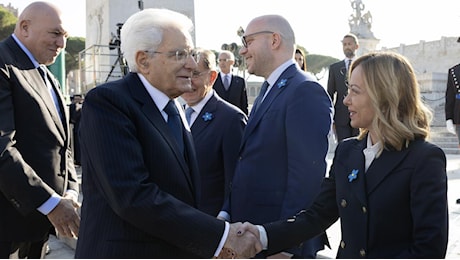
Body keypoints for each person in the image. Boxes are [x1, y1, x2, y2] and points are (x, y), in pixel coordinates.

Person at [74, 8, 261, 258]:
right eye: (179, 54)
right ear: (143, 61)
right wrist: (219, 236)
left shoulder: (173, 107)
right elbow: (133, 195)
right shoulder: (109, 103)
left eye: (191, 54)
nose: (192, 64)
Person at [243, 51, 449, 258]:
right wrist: (261, 235)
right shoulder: (347, 151)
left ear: (384, 96)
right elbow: (317, 216)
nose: (345, 100)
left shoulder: (424, 159)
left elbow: (429, 249)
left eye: (355, 91)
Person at [219, 14, 333, 258]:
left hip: (276, 244)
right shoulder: (270, 88)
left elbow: (305, 179)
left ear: (274, 40)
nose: (242, 50)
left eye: (247, 41)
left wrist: (286, 244)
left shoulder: (304, 90)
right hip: (254, 233)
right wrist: (227, 212)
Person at [0, 2, 80, 258]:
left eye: (65, 36)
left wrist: (70, 190)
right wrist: (51, 203)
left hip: (40, 227)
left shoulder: (48, 76)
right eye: (55, 34)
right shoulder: (3, 65)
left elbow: (63, 144)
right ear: (24, 27)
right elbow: (2, 148)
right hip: (7, 227)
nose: (62, 44)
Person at [181, 49, 247, 217]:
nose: (188, 82)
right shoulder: (173, 115)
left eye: (195, 74)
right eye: (183, 74)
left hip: (210, 224)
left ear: (212, 77)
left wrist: (224, 218)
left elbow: (237, 180)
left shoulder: (231, 119)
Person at [327, 33, 360, 142]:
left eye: (349, 44)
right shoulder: (334, 68)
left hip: (360, 113)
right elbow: (329, 94)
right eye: (344, 44)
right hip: (341, 117)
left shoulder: (364, 66)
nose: (346, 47)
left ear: (356, 46)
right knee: (343, 148)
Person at [213, 50, 249, 115]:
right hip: (217, 119)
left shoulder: (240, 82)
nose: (222, 63)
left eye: (225, 60)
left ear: (232, 62)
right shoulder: (213, 80)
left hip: (235, 119)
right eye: (220, 60)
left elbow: (244, 105)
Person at [69, 94, 84, 166]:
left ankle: (79, 160)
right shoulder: (73, 106)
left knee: (79, 146)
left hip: (79, 129)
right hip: (77, 129)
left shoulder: (80, 106)